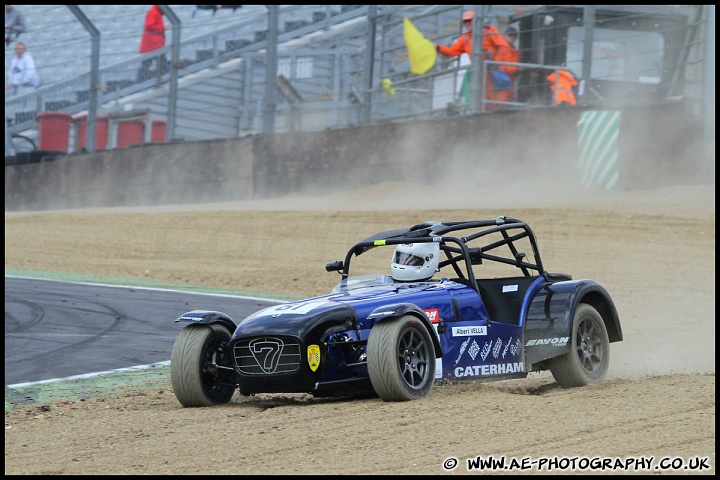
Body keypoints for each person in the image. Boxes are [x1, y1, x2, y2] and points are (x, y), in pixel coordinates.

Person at [434, 11, 514, 110]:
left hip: (493, 70)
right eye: (465, 21)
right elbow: (452, 51)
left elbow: (503, 46)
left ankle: (501, 115)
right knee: (479, 97)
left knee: (499, 97)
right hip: (478, 71)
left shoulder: (488, 30)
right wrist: (438, 48)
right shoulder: (465, 38)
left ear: (475, 20)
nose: (468, 23)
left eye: (469, 20)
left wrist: (495, 62)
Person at [137, 5, 170, 82]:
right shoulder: (153, 12)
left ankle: (140, 81)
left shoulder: (156, 12)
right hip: (152, 45)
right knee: (150, 64)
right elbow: (149, 26)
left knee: (149, 64)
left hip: (155, 45)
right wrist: (163, 27)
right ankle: (140, 81)